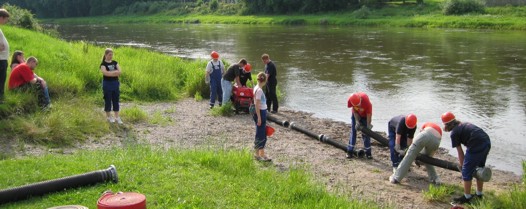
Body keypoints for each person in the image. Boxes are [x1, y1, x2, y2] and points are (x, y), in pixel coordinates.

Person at [442, 112, 491, 204]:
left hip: (476, 144)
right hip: (486, 141)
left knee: (466, 170)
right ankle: (479, 194)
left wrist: (462, 166)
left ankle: (467, 197)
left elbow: (460, 152)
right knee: (480, 168)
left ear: (446, 124)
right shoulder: (463, 124)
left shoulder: (454, 133)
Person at [347, 92, 373, 159]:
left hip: (365, 116)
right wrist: (357, 122)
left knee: (366, 133)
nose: (358, 106)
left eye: (359, 105)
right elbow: (354, 111)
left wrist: (368, 125)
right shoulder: (351, 101)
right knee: (353, 131)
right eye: (356, 106)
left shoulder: (367, 102)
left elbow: (369, 115)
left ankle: (368, 153)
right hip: (356, 115)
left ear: (360, 100)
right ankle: (350, 151)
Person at [100, 48, 123, 124]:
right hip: (107, 84)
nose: (111, 56)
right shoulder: (103, 64)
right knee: (108, 100)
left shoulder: (115, 62)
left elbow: (120, 72)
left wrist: (111, 73)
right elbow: (105, 73)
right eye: (110, 55)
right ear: (106, 55)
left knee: (116, 100)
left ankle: (117, 117)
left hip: (115, 83)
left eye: (112, 54)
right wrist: (114, 72)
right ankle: (108, 117)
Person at [253, 72, 271, 162]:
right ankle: (257, 154)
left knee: (263, 133)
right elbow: (257, 104)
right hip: (260, 112)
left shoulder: (256, 88)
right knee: (260, 134)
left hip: (261, 112)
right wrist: (259, 117)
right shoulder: (259, 90)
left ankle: (261, 153)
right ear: (264, 80)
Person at [0, 8, 10, 104]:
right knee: (1, 80)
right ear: (1, 17)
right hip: (1, 59)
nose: (6, 21)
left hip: (2, 59)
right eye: (6, 19)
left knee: (2, 79)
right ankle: (0, 100)